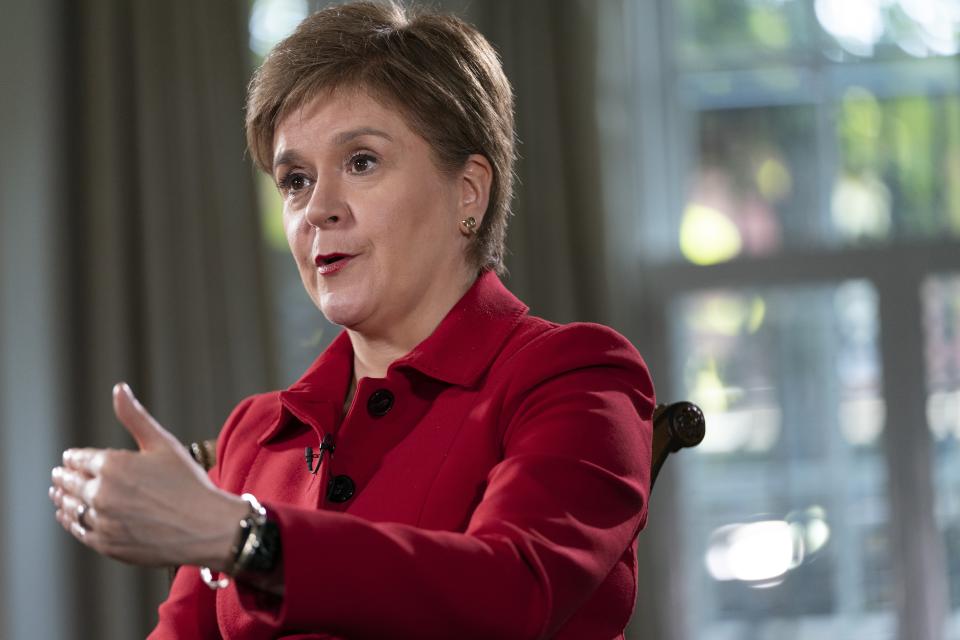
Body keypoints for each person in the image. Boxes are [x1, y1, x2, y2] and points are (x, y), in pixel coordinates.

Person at [49, 1, 654, 638]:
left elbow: (511, 593)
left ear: (468, 191)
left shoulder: (578, 376)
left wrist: (246, 539)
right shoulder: (254, 436)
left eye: (361, 162)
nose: (317, 209)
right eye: (295, 180)